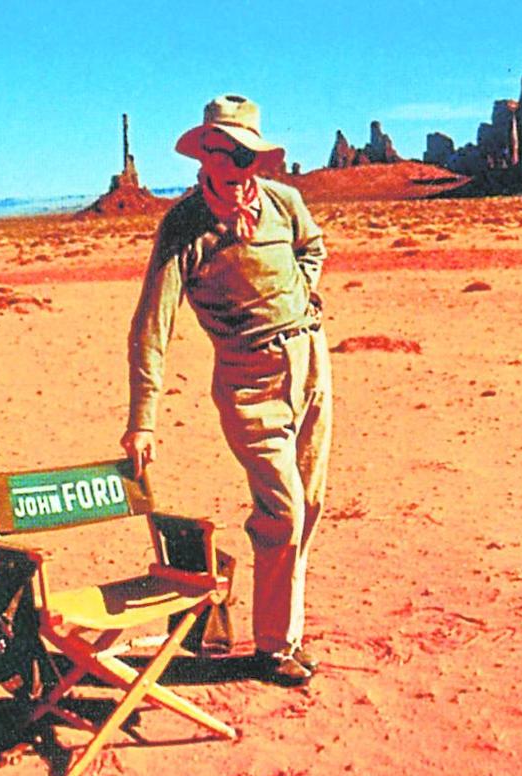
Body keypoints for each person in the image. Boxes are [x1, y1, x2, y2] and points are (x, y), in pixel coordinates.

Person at [121, 94, 332, 687]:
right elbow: (150, 327)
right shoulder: (185, 226)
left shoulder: (284, 202)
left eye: (240, 151)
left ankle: (281, 635)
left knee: (309, 505)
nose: (229, 160)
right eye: (218, 149)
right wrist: (143, 419)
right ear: (205, 153)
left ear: (255, 157)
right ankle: (272, 648)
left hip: (311, 362)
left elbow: (312, 247)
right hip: (248, 381)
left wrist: (304, 291)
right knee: (283, 510)